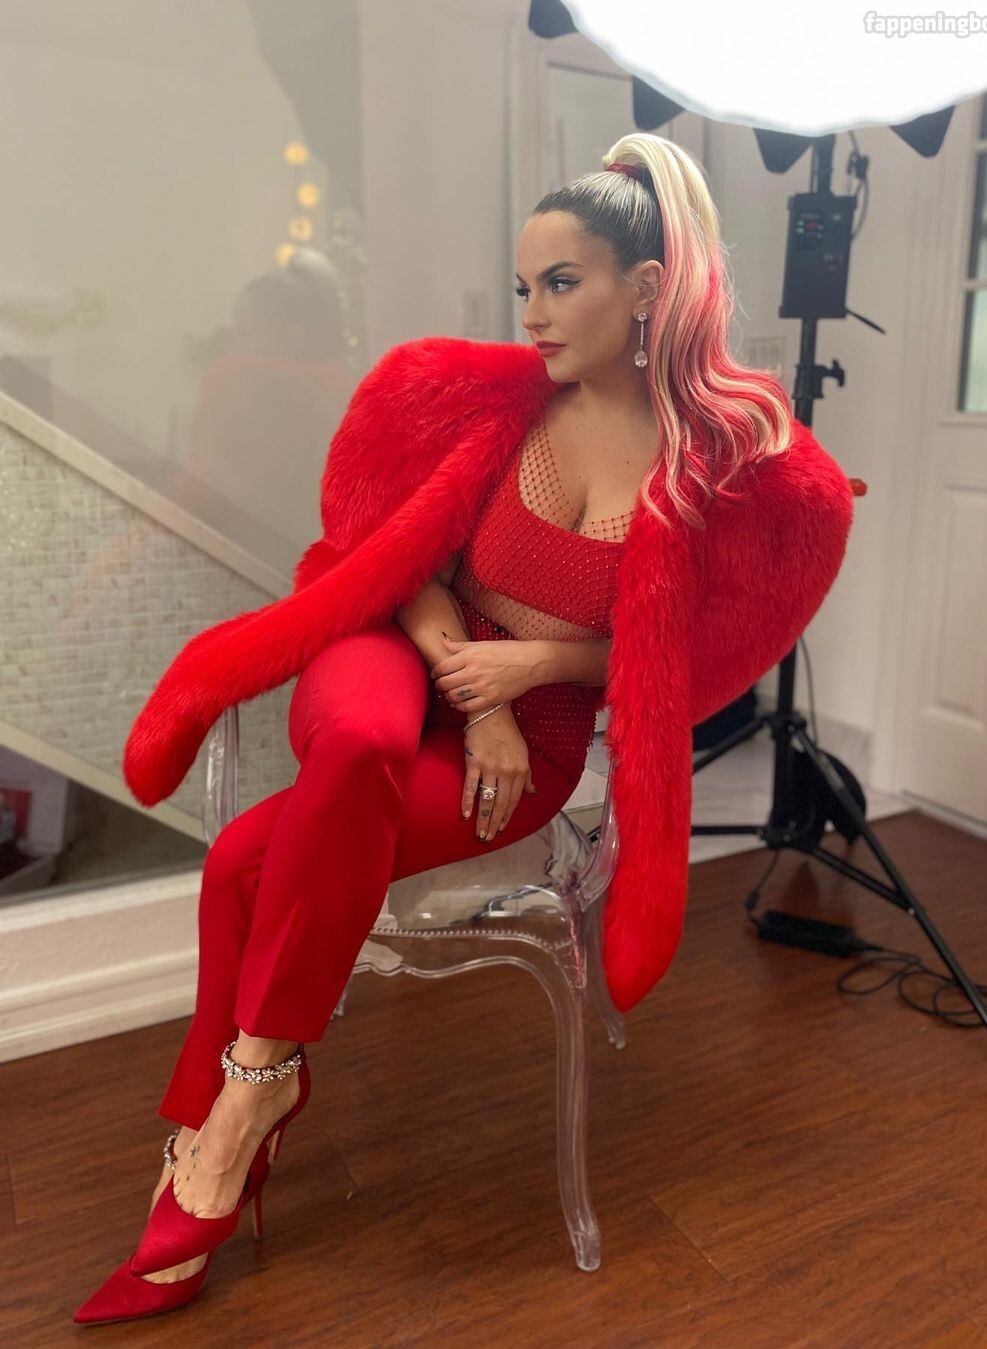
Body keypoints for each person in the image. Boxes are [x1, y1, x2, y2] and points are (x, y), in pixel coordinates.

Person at [74, 131, 823, 1324]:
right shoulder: (497, 401)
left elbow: (677, 661)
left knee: (244, 861)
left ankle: (226, 1109)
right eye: (523, 284)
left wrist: (534, 671)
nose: (532, 313)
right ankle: (251, 1093)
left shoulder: (709, 467)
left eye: (560, 282)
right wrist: (480, 694)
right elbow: (400, 552)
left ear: (646, 288)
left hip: (544, 732)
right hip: (399, 647)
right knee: (364, 745)